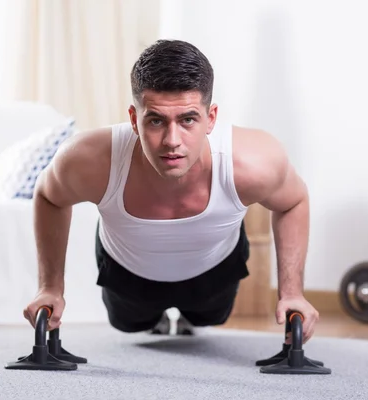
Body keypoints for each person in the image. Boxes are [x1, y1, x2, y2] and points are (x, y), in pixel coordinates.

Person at [22, 39, 319, 343]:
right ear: (134, 119)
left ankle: (192, 315)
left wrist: (292, 293)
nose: (172, 140)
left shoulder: (253, 162)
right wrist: (50, 288)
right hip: (128, 273)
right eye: (156, 120)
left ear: (211, 118)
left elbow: (293, 201)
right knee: (129, 325)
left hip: (213, 270)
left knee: (210, 318)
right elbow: (48, 196)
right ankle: (153, 319)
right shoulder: (90, 159)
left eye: (188, 119)